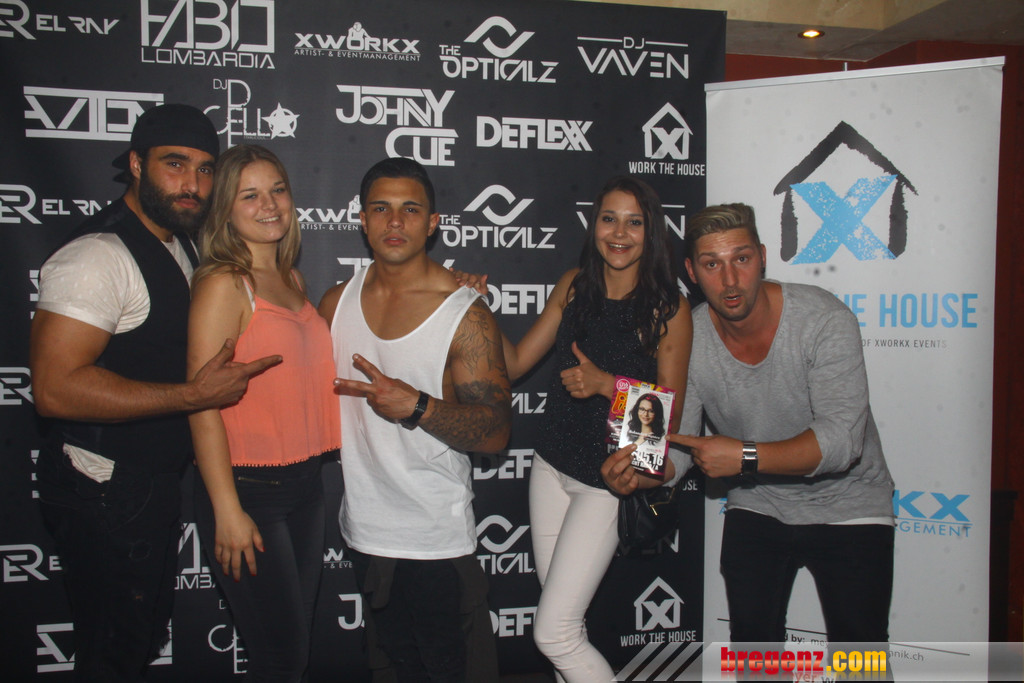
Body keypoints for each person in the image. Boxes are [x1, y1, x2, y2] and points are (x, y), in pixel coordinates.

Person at [30, 104, 280, 682]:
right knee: (113, 655)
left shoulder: (181, 242)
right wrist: (192, 397)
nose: (192, 184)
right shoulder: (97, 256)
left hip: (147, 487)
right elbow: (55, 389)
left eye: (204, 169)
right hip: (102, 489)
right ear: (137, 165)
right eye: (174, 164)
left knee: (135, 642)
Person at [602, 203, 895, 645]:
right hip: (757, 504)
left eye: (741, 259)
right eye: (711, 264)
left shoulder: (823, 319)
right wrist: (639, 475)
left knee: (861, 659)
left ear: (762, 257)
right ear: (691, 272)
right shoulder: (689, 334)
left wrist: (745, 456)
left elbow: (842, 443)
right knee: (754, 656)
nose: (730, 280)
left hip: (850, 505)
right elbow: (682, 444)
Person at [484, 176, 691, 682]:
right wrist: (476, 309)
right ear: (593, 224)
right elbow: (514, 363)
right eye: (609, 219)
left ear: (651, 232)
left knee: (554, 634)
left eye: (634, 222)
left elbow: (666, 420)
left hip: (607, 483)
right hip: (550, 468)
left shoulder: (669, 308)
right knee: (566, 631)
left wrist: (606, 385)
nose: (619, 233)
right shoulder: (573, 285)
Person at [318, 157, 512, 682]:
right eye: (381, 209)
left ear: (433, 223)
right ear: (363, 220)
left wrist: (418, 406)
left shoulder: (464, 312)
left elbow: (496, 432)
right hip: (366, 533)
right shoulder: (335, 303)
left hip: (436, 540)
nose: (395, 222)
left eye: (410, 209)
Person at [187, 144, 340, 681]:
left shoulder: (293, 280)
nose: (269, 204)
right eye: (249, 195)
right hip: (248, 492)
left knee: (293, 654)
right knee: (281, 658)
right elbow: (201, 405)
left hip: (305, 487)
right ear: (225, 210)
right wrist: (227, 509)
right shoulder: (224, 283)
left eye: (277, 190)